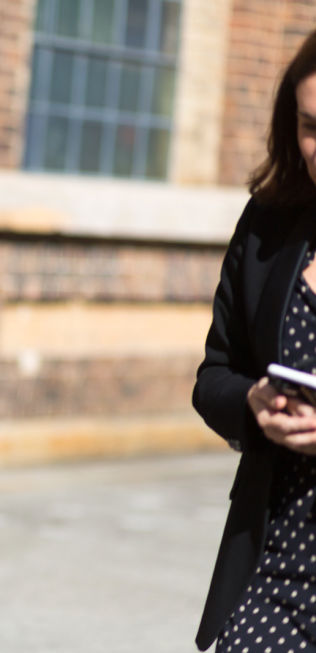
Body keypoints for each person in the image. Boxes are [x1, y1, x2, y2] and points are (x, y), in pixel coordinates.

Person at [194, 29, 316, 651]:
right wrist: (253, 401)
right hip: (275, 568)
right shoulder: (268, 226)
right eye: (311, 125)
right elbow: (214, 374)